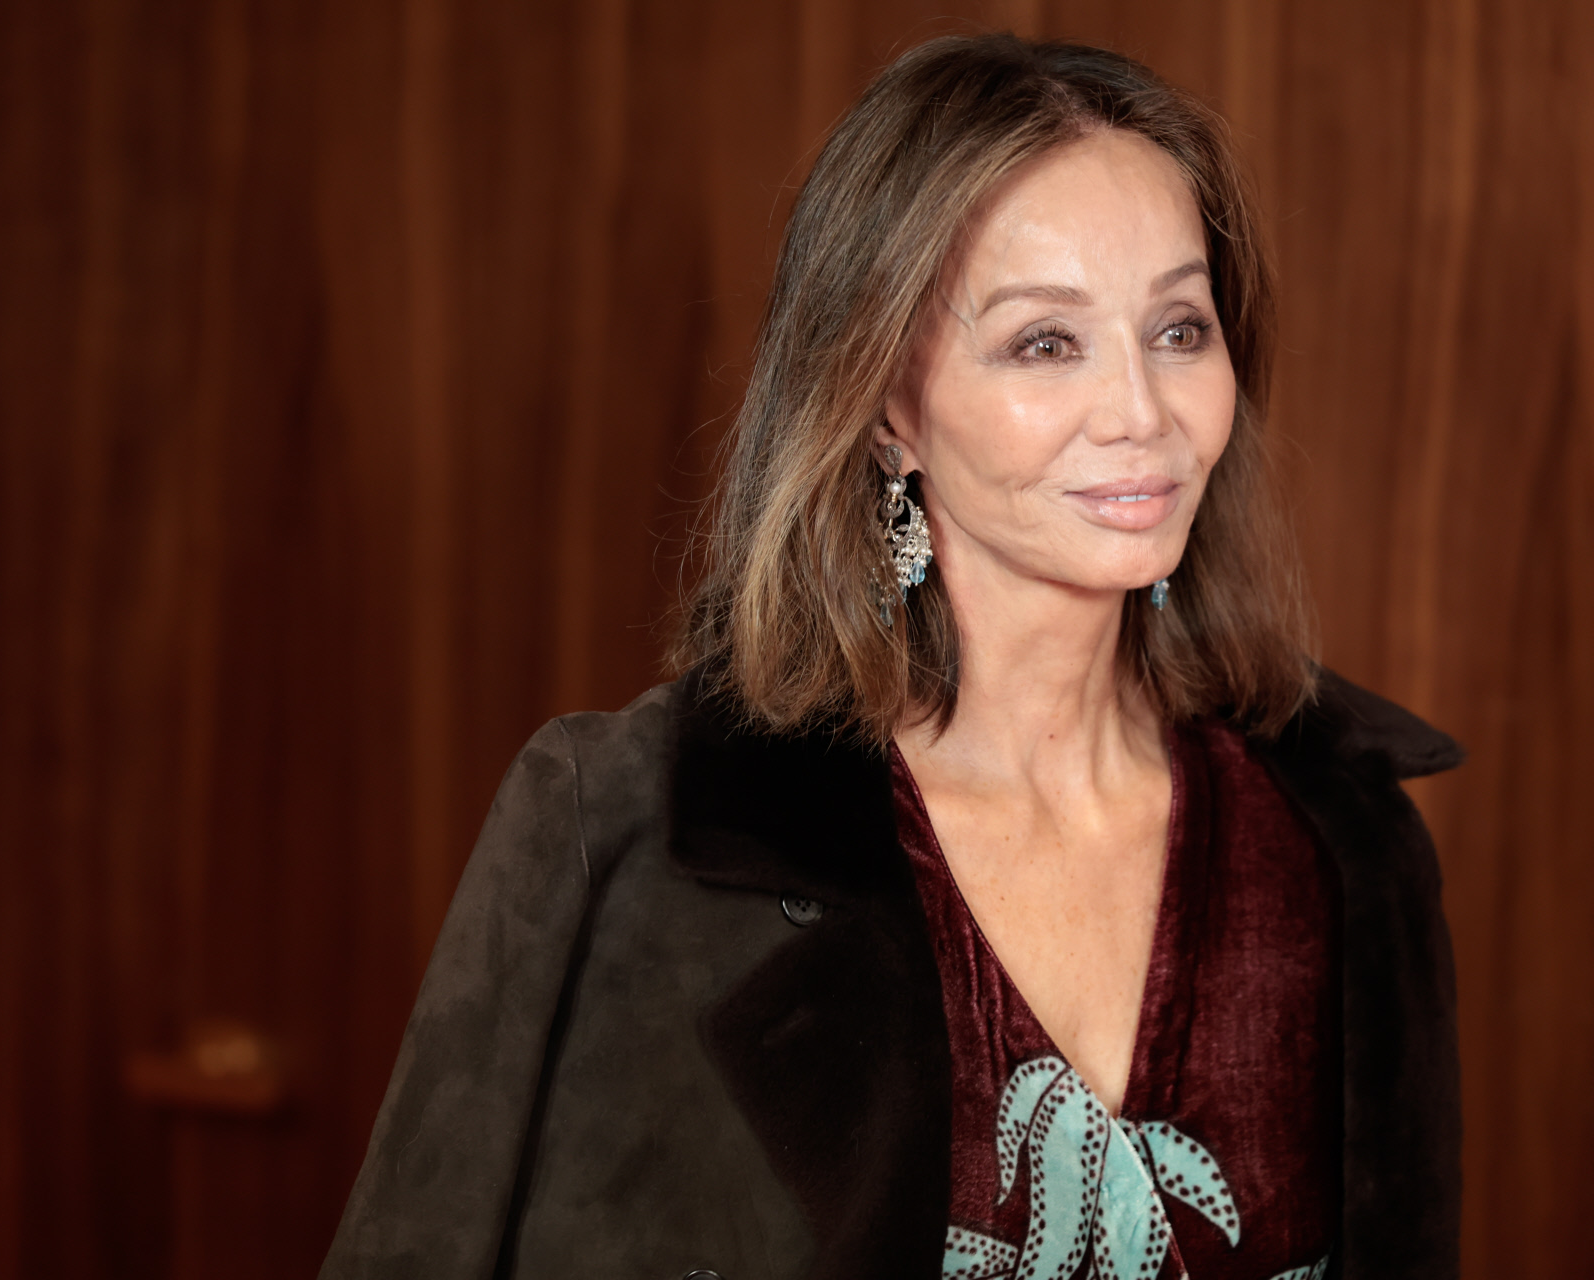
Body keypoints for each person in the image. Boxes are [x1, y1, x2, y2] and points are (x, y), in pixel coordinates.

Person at [320, 33, 1461, 1280]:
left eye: (1179, 328)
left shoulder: (1342, 842)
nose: (1143, 411)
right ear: (886, 406)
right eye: (1046, 341)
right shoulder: (626, 830)